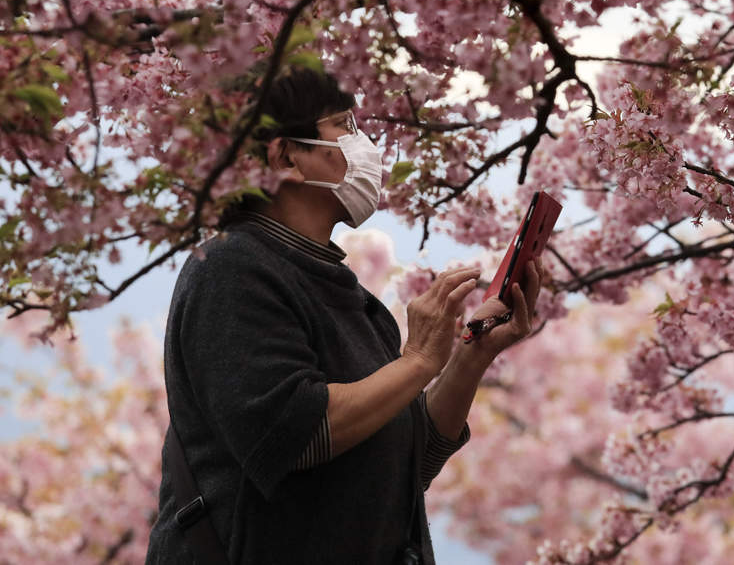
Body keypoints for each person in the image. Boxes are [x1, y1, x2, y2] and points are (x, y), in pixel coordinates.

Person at [146, 66, 540, 564]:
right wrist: (417, 359)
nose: (364, 145)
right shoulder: (231, 268)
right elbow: (294, 437)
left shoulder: (351, 297)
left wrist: (469, 356)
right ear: (286, 156)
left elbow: (400, 466)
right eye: (343, 126)